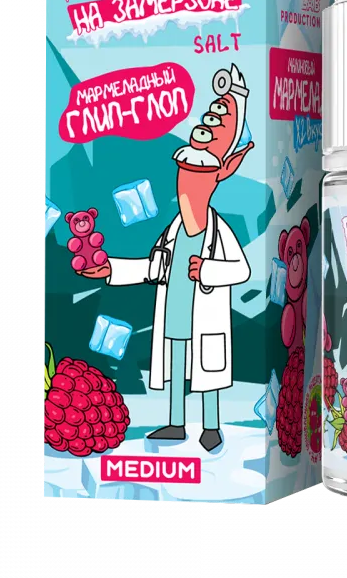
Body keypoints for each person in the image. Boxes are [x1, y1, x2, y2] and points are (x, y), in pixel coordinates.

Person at [79, 64, 253, 453]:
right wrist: (111, 269)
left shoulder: (218, 232)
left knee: (208, 374)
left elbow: (241, 269)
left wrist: (207, 269)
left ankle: (211, 427)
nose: (185, 184)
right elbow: (153, 267)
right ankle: (175, 423)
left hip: (204, 318)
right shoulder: (174, 230)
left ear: (217, 177)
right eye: (183, 173)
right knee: (175, 369)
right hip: (174, 316)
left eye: (196, 175)